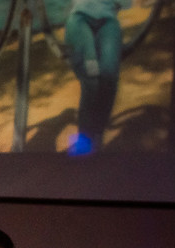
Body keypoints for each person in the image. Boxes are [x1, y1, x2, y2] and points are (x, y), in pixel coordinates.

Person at [66, 0, 131, 152]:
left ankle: (97, 136)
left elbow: (124, 3)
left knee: (109, 76)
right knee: (91, 78)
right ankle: (83, 142)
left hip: (108, 19)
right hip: (80, 17)